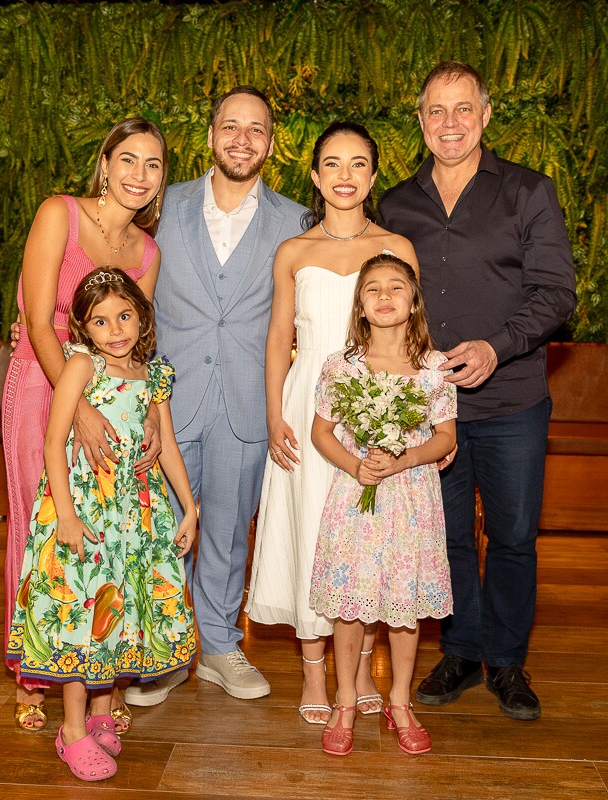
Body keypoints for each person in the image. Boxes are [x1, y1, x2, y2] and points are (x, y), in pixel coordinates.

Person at [379, 61, 576, 721]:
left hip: (514, 400)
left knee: (515, 535)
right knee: (449, 537)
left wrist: (499, 346)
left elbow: (557, 294)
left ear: (486, 116)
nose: (451, 123)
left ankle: (510, 663)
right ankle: (462, 651)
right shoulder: (398, 205)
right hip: (431, 410)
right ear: (421, 121)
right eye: (437, 111)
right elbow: (378, 299)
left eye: (464, 109)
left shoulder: (528, 192)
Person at [123, 86, 306, 706]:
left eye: (257, 129)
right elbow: (112, 286)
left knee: (229, 528)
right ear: (210, 136)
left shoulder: (295, 220)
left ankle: (221, 645)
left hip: (247, 401)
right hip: (167, 400)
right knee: (165, 527)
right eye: (231, 126)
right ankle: (169, 651)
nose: (243, 139)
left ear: (272, 143)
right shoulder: (160, 206)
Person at [247, 122, 418, 724]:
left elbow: (416, 337)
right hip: (307, 411)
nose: (345, 176)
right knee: (312, 532)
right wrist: (274, 415)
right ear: (316, 176)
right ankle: (314, 671)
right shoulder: (294, 252)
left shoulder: (398, 247)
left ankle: (364, 663)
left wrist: (416, 422)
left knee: (371, 537)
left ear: (373, 176)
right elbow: (277, 339)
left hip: (377, 410)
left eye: (358, 164)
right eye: (332, 165)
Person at [3, 118, 167, 733]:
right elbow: (41, 323)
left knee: (108, 534)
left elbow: (137, 344)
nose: (138, 175)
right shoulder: (59, 214)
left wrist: (148, 408)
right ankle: (35, 673)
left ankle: (102, 666)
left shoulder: (147, 252)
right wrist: (81, 411)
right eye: (128, 160)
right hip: (41, 384)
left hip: (112, 403)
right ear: (105, 162)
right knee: (39, 526)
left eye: (152, 166)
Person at [6, 268, 197, 782]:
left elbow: (169, 448)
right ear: (84, 329)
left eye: (125, 316)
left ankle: (100, 714)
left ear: (142, 314)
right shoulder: (81, 368)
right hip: (86, 512)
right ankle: (70, 732)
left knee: (117, 610)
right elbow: (53, 443)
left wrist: (189, 506)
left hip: (135, 515)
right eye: (101, 321)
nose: (116, 330)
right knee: (81, 614)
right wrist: (65, 514)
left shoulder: (153, 375)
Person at [309, 253, 456, 756]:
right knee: (351, 605)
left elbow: (444, 437)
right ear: (361, 306)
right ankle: (345, 700)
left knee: (403, 605)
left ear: (413, 301)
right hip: (356, 499)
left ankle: (399, 701)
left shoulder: (434, 368)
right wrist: (356, 466)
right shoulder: (341, 366)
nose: (386, 297)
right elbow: (321, 432)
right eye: (373, 289)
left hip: (412, 496)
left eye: (397, 287)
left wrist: (406, 457)